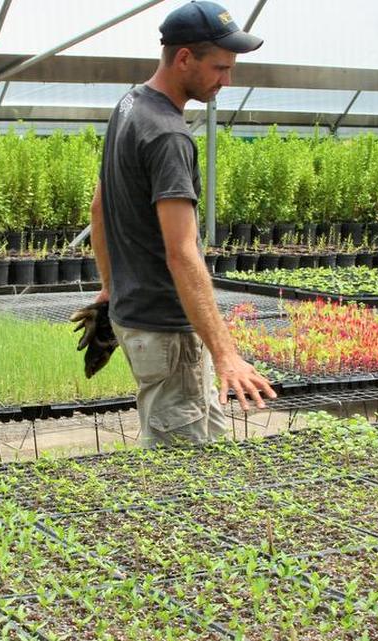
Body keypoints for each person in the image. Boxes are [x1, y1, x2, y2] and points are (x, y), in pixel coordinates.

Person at [88, 0, 276, 448]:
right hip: (167, 329)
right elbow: (182, 251)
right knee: (183, 474)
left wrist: (112, 285)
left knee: (202, 451)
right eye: (220, 68)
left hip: (138, 316)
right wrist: (226, 354)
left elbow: (100, 206)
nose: (226, 80)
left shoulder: (129, 105)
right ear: (184, 57)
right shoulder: (169, 134)